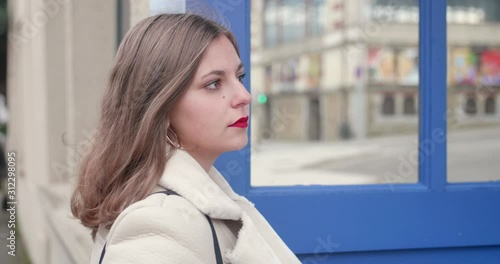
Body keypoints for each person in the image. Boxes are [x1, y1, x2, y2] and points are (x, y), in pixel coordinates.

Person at [70, 13, 301, 264]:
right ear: (160, 105)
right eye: (214, 84)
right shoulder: (160, 224)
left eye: (240, 77)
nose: (243, 95)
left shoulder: (192, 200)